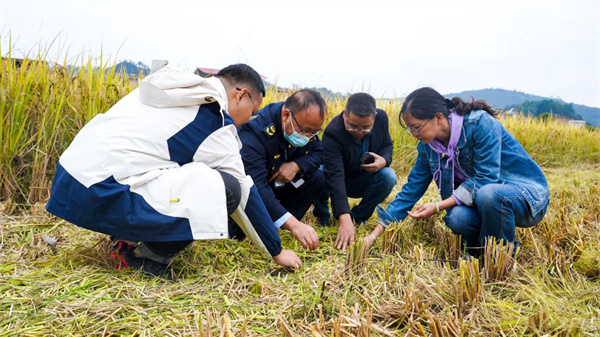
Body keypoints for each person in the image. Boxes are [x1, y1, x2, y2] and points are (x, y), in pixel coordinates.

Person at [46, 60, 302, 278]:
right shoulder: (214, 117)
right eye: (253, 111)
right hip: (102, 191)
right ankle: (142, 258)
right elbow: (244, 191)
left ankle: (125, 237)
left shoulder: (172, 88)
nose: (249, 119)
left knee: (174, 169)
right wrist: (276, 251)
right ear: (240, 95)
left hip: (72, 183)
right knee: (227, 188)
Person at [364, 87, 550, 256]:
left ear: (438, 118)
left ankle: (502, 257)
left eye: (416, 127)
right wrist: (374, 235)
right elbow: (411, 190)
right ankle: (480, 251)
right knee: (457, 218)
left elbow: (486, 178)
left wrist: (437, 207)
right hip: (485, 201)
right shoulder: (428, 147)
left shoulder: (480, 124)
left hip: (525, 196)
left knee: (489, 193)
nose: (414, 134)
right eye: (409, 129)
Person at [238, 89, 327, 251]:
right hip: (254, 191)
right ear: (286, 116)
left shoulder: (305, 126)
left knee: (317, 179)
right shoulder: (255, 132)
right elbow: (255, 187)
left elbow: (319, 152)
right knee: (238, 234)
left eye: (314, 133)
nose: (308, 137)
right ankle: (283, 223)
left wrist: (297, 165)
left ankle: (278, 225)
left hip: (282, 184)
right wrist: (295, 225)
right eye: (305, 131)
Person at [312, 93, 396, 250]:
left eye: (365, 127)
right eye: (352, 126)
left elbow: (387, 145)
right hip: (339, 180)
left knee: (389, 176)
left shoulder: (382, 119)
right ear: (344, 114)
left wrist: (384, 160)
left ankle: (359, 217)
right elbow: (334, 175)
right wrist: (344, 217)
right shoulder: (332, 132)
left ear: (374, 117)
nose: (358, 131)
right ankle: (322, 215)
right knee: (318, 172)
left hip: (364, 178)